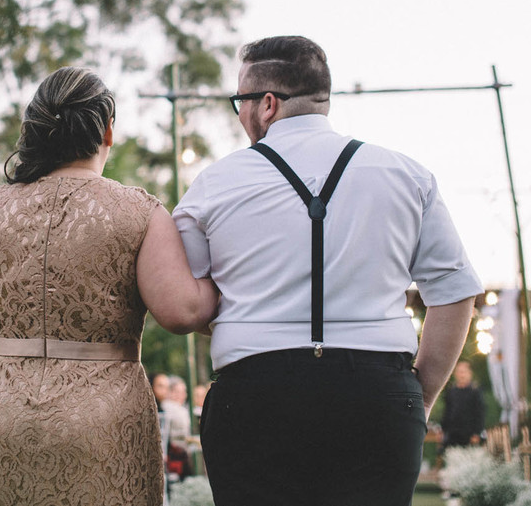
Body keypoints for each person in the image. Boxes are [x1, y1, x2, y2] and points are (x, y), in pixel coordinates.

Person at [173, 36, 483, 506]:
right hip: (378, 398)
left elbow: (192, 305)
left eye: (240, 102)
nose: (239, 115)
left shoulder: (213, 184)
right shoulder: (407, 175)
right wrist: (419, 398)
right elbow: (455, 294)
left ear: (268, 104)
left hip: (255, 398)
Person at [0, 66, 218, 506]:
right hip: (103, 423)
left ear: (34, 130)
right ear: (107, 132)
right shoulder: (138, 211)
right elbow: (181, 312)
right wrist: (224, 284)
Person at [440, 360, 485, 450]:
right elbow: (447, 412)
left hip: (469, 434)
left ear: (469, 373)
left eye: (464, 372)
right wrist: (443, 430)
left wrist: (477, 433)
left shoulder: (475, 391)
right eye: (459, 372)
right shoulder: (451, 391)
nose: (461, 375)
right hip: (452, 434)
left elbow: (480, 413)